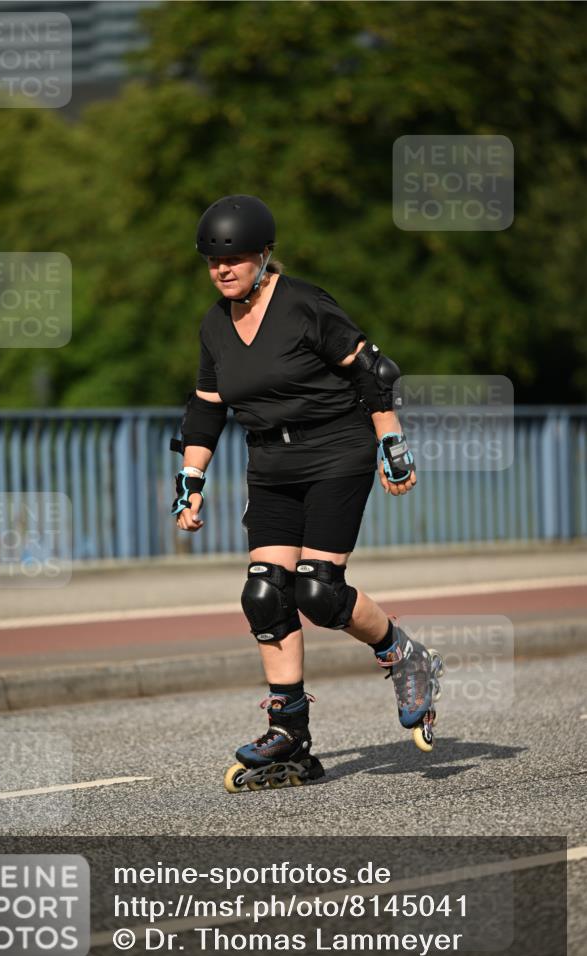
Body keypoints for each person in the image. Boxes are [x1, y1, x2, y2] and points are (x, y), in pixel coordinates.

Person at [170, 195, 443, 792]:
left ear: (263, 254)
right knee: (265, 593)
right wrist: (191, 481)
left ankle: (405, 655)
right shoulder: (216, 323)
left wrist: (392, 445)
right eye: (214, 261)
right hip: (269, 460)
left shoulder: (302, 304)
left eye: (235, 258)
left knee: (318, 591)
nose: (223, 269)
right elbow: (207, 407)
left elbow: (374, 369)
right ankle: (289, 732)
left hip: (335, 449)